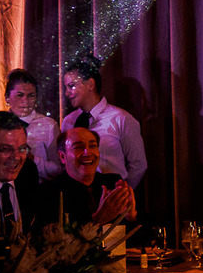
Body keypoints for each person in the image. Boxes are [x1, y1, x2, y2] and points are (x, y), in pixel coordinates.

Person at [60, 56, 147, 188]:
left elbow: (138, 164)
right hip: (76, 196)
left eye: (71, 86)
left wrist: (121, 193)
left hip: (111, 192)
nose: (67, 93)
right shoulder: (68, 121)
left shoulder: (121, 118)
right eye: (66, 88)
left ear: (90, 84)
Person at [38, 127, 136, 227]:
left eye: (93, 146)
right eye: (78, 147)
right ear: (63, 157)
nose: (87, 152)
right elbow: (58, 239)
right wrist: (98, 219)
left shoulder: (113, 183)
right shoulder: (48, 193)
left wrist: (131, 216)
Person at [5, 68, 61, 180]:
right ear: (7, 98)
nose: (26, 100)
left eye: (31, 95)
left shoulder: (49, 126)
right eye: (19, 95)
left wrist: (32, 159)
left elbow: (59, 169)